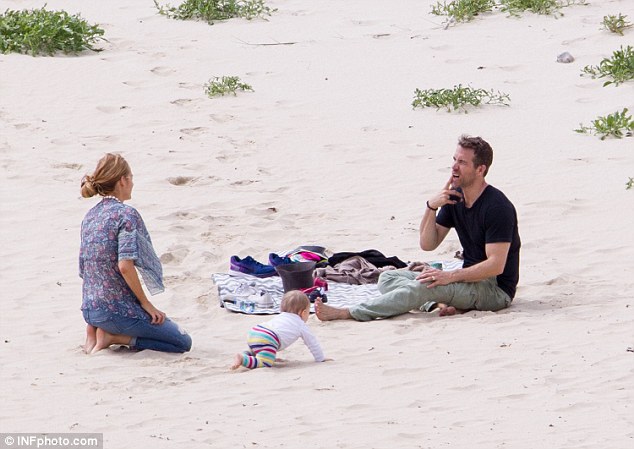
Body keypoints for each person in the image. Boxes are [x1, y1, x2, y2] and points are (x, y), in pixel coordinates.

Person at [316, 135, 521, 321]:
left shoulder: (497, 207)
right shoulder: (455, 197)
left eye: (462, 162)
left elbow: (496, 265)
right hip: (466, 278)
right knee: (387, 278)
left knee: (425, 286)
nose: (454, 167)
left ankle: (348, 312)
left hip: (494, 289)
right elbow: (428, 244)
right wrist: (431, 206)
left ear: (480, 169)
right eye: (454, 159)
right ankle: (436, 305)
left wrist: (450, 276)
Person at [79, 153, 192, 354]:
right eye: (131, 178)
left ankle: (93, 330)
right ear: (123, 180)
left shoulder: (90, 216)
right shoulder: (126, 215)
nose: (133, 183)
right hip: (115, 312)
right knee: (182, 341)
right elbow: (125, 266)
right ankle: (113, 336)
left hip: (89, 309)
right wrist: (147, 304)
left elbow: (85, 268)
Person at [231, 291, 329, 369]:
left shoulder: (282, 316)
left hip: (256, 331)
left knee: (256, 349)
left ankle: (245, 354)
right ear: (303, 312)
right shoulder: (300, 324)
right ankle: (243, 359)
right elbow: (312, 343)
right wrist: (320, 358)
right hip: (268, 337)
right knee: (265, 362)